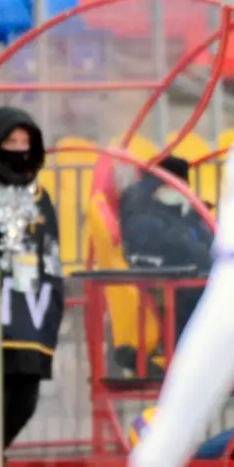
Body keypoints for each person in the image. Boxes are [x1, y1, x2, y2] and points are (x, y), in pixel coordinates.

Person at [0, 107, 65, 466]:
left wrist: (52, 302)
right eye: (11, 141)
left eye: (25, 142)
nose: (19, 149)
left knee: (26, 397)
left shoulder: (40, 195)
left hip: (32, 310)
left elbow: (51, 251)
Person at [127, 150, 234, 467]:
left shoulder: (189, 216)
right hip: (204, 298)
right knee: (180, 414)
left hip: (213, 291)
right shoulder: (145, 216)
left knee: (180, 416)